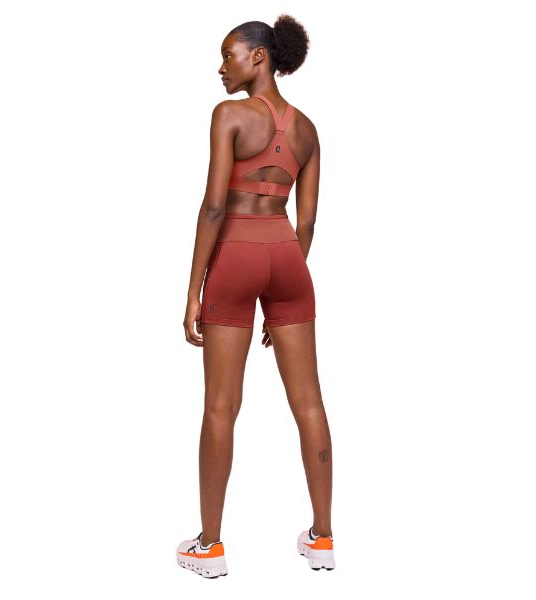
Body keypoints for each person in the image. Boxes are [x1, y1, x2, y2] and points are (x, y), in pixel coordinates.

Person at [177, 15, 334, 578]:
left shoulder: (229, 115)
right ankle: (322, 537)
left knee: (221, 406)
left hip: (237, 254)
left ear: (259, 56)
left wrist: (194, 290)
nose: (222, 67)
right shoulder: (308, 130)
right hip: (288, 257)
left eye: (229, 55)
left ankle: (210, 547)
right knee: (309, 402)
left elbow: (214, 206)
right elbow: (307, 222)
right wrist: (283, 279)